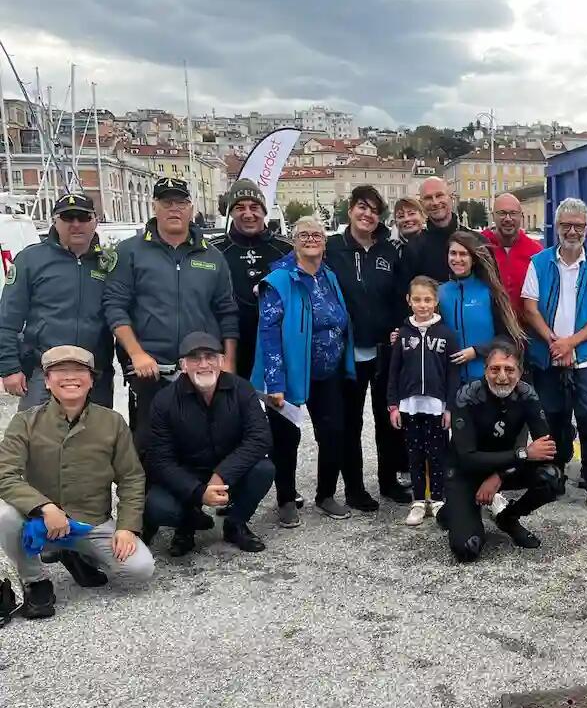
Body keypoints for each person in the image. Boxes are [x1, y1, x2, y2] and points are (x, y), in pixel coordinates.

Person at [0, 346, 153, 618]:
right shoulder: (25, 422)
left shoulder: (112, 422)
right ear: (47, 381)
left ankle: (79, 555)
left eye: (79, 371)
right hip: (41, 523)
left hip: (90, 523)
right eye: (60, 371)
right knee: (4, 514)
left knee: (139, 569)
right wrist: (45, 507)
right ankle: (36, 582)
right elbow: (4, 474)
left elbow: (131, 477)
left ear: (92, 380)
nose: (70, 377)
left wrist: (128, 527)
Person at [103, 177, 239, 442]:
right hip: (151, 370)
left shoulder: (212, 256)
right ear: (155, 207)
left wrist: (229, 362)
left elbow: (227, 312)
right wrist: (137, 354)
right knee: (151, 445)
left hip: (201, 367)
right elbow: (115, 307)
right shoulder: (129, 252)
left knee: (205, 441)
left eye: (181, 202)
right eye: (167, 203)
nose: (174, 209)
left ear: (191, 208)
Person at [253, 215, 356, 524]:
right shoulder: (278, 281)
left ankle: (325, 494)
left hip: (328, 372)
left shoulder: (328, 276)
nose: (311, 239)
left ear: (324, 242)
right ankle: (285, 499)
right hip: (290, 372)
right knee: (285, 438)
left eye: (317, 235)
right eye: (304, 235)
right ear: (293, 241)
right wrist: (274, 382)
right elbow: (268, 333)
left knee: (334, 433)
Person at [521, 198, 587, 515]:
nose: (572, 231)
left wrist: (571, 343)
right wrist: (553, 341)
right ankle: (555, 475)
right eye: (566, 225)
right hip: (548, 355)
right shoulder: (539, 262)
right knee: (553, 418)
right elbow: (529, 308)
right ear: (556, 226)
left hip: (586, 358)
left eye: (578, 225)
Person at [143, 332, 274, 556]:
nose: (204, 364)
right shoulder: (164, 401)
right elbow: (160, 460)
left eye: (210, 357)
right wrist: (198, 492)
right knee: (157, 506)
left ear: (221, 361)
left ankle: (236, 524)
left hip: (229, 472)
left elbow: (260, 438)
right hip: (187, 475)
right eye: (195, 358)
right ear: (183, 365)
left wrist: (223, 474)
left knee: (264, 470)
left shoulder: (242, 389)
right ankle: (186, 526)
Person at [323, 184, 410, 509]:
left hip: (384, 350)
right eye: (362, 206)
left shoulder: (390, 251)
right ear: (350, 210)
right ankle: (355, 488)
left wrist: (400, 327)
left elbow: (402, 295)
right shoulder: (332, 248)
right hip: (347, 351)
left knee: (387, 419)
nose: (367, 214)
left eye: (374, 210)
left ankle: (388, 482)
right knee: (350, 422)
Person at [440, 342, 561, 561]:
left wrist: (499, 476)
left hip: (504, 468)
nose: (502, 377)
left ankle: (508, 517)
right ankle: (456, 509)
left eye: (509, 369)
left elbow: (546, 449)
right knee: (467, 549)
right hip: (464, 472)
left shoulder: (527, 395)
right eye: (495, 369)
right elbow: (467, 458)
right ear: (485, 370)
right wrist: (522, 454)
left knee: (551, 476)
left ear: (521, 372)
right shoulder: (467, 396)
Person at [0, 192, 116, 409]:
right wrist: (9, 368)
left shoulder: (109, 263)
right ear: (55, 221)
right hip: (42, 373)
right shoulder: (30, 260)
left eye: (83, 218)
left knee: (96, 440)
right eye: (67, 218)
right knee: (37, 439)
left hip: (95, 374)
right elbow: (7, 318)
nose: (76, 224)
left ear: (95, 221)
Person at [387, 277, 460, 526]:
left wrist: (450, 406)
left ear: (436, 301)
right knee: (415, 454)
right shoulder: (403, 334)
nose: (422, 305)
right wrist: (393, 405)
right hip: (410, 405)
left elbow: (453, 373)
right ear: (409, 301)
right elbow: (393, 370)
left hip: (436, 405)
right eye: (417, 299)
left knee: (437, 454)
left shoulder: (446, 334)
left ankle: (438, 500)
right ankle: (419, 501)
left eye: (427, 299)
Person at [210, 179, 293, 380]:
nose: (248, 214)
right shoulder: (214, 250)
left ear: (264, 211)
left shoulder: (286, 249)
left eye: (254, 207)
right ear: (231, 213)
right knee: (235, 408)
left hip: (278, 345)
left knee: (280, 410)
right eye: (240, 208)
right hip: (231, 345)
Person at [440, 231, 526, 383]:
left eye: (463, 254)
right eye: (453, 253)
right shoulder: (440, 293)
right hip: (450, 381)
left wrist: (477, 351)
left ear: (473, 259)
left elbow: (508, 338)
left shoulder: (489, 292)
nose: (457, 259)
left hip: (485, 380)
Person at [399, 177, 479, 285]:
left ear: (451, 197)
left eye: (439, 195)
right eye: (428, 198)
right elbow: (404, 294)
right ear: (421, 204)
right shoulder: (413, 248)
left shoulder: (477, 242)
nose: (435, 202)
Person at [482, 192, 543, 316]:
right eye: (502, 213)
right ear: (493, 216)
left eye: (513, 213)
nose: (508, 218)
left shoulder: (536, 251)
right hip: (489, 328)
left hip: (526, 329)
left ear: (521, 216)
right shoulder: (479, 245)